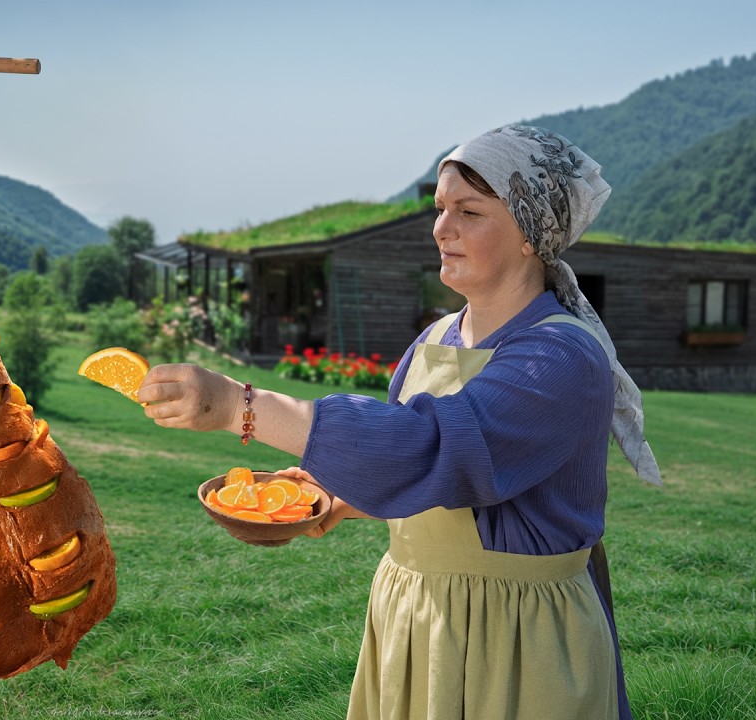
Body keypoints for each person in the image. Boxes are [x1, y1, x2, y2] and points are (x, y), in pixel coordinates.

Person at [137, 124, 661, 720]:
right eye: (440, 208)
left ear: (529, 235)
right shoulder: (434, 339)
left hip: (518, 635)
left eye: (469, 211)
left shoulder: (562, 357)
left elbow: (435, 449)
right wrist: (335, 497)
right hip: (415, 615)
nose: (442, 228)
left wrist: (240, 406)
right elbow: (412, 475)